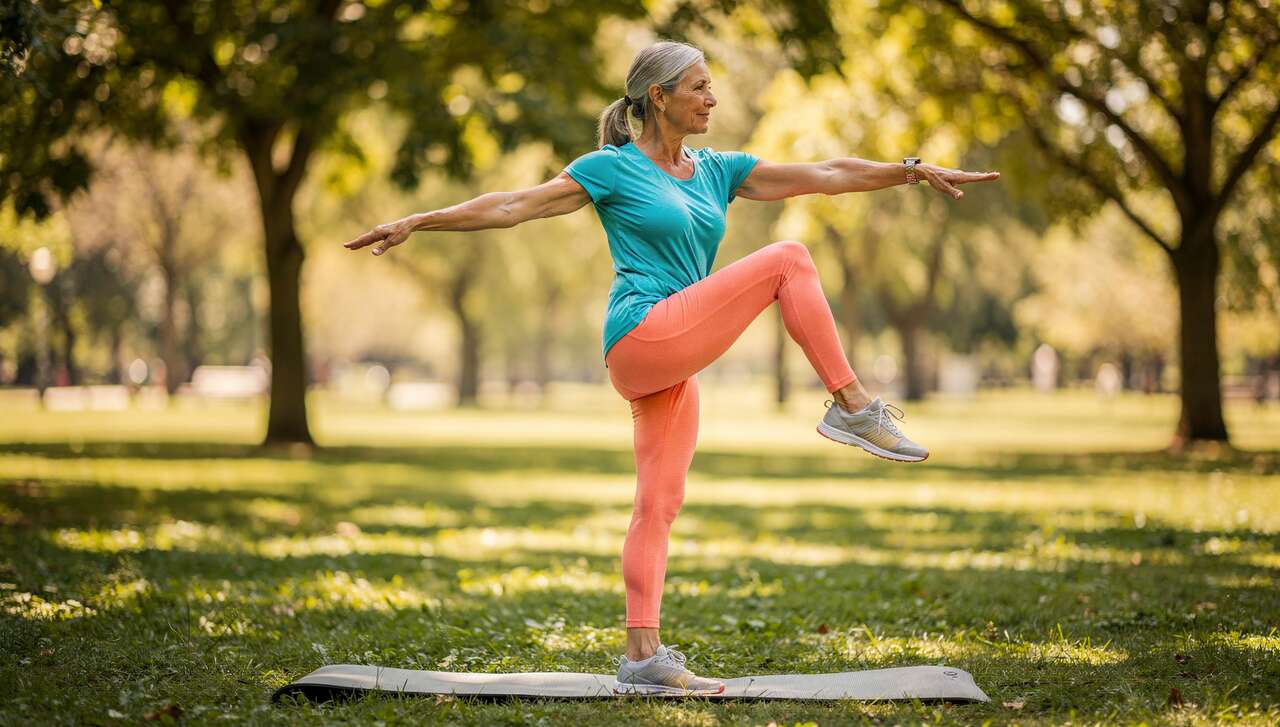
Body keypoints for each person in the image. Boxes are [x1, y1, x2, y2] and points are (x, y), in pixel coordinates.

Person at [343, 39, 1001, 696]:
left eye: (712, 86)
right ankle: (854, 407)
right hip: (642, 332)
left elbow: (826, 173)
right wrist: (419, 221)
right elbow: (514, 205)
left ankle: (642, 653)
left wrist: (910, 170)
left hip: (674, 353)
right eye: (699, 87)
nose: (712, 98)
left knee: (658, 503)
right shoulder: (611, 169)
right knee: (788, 259)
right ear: (658, 97)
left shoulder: (717, 170)